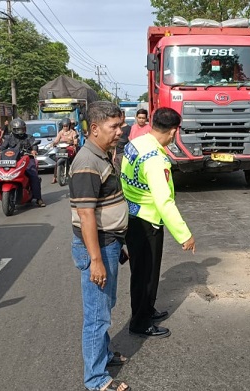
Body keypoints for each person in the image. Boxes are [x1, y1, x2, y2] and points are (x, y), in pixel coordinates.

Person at [68, 101, 130, 391]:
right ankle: (96, 379)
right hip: (98, 247)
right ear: (94, 129)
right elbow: (85, 214)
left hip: (109, 242)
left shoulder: (102, 154)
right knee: (96, 315)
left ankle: (104, 355)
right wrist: (96, 259)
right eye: (114, 126)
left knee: (105, 306)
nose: (121, 130)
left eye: (121, 124)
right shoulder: (86, 162)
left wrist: (119, 241)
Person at [120, 107, 196, 338]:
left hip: (133, 213)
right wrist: (185, 235)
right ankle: (140, 322)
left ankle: (146, 310)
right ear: (174, 132)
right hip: (147, 220)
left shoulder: (137, 143)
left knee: (142, 271)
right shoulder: (155, 159)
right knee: (146, 274)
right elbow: (164, 201)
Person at [0, 118, 46, 207]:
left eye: (22, 129)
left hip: (27, 159)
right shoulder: (9, 138)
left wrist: (34, 150)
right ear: (14, 130)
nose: (21, 131)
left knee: (33, 175)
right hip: (13, 160)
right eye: (19, 129)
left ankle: (38, 198)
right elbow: (3, 147)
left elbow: (34, 144)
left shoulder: (29, 137)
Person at [50, 118, 79, 184]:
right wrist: (53, 143)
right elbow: (56, 140)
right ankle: (55, 177)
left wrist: (74, 142)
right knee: (57, 161)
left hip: (70, 148)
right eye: (64, 126)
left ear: (69, 126)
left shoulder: (73, 132)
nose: (65, 128)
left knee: (75, 159)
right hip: (62, 149)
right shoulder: (60, 132)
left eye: (66, 126)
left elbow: (75, 139)